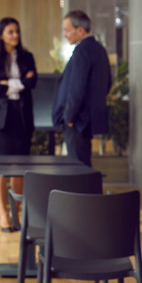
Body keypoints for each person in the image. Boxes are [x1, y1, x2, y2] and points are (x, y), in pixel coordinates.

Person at [0, 17, 37, 232]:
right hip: (0, 120)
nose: (15, 35)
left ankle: (16, 213)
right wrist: (20, 83)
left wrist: (8, 83)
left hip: (22, 117)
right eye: (10, 32)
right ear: (1, 35)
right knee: (0, 167)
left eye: (17, 31)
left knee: (19, 167)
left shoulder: (27, 57)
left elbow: (32, 82)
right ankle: (3, 213)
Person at [52, 10, 112, 166]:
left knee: (78, 168)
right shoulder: (99, 49)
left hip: (77, 121)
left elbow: (77, 88)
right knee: (84, 165)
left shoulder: (81, 51)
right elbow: (108, 83)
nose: (65, 35)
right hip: (88, 120)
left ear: (80, 30)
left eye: (67, 30)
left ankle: (87, 192)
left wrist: (69, 117)